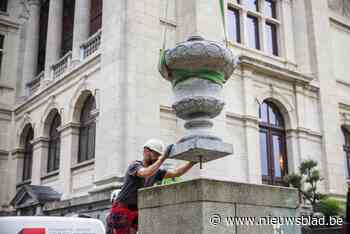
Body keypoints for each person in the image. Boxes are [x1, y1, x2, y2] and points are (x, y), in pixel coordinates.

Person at [106, 139, 197, 234]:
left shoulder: (156, 172)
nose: (157, 158)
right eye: (156, 154)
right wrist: (163, 158)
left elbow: (176, 173)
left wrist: (192, 162)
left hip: (137, 209)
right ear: (146, 151)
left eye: (159, 155)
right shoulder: (135, 165)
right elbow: (145, 173)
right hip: (122, 208)